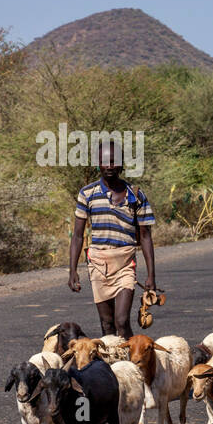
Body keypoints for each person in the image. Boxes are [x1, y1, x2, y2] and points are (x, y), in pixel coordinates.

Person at [68, 139, 156, 339]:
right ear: (97, 163)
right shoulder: (87, 194)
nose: (109, 165)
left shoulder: (135, 195)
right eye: (104, 161)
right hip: (98, 264)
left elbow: (145, 236)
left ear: (123, 164)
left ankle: (132, 366)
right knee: (107, 325)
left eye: (114, 161)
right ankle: (112, 368)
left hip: (125, 263)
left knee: (122, 321)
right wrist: (72, 270)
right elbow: (77, 236)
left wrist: (151, 274)